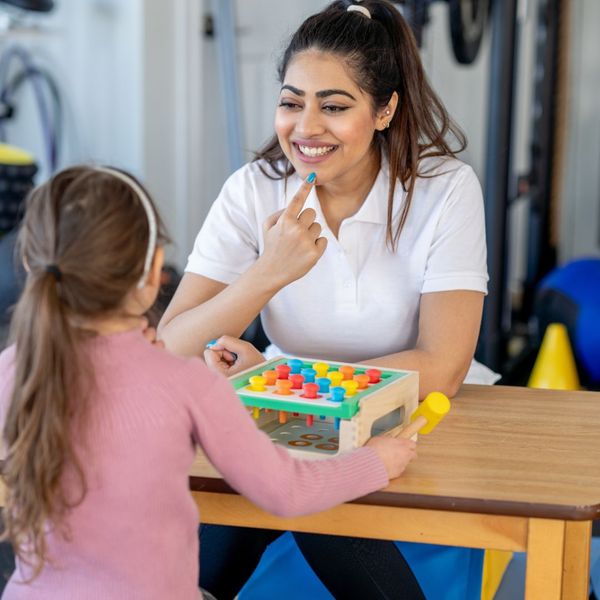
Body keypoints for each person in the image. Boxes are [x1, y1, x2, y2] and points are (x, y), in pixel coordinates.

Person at [158, 1, 490, 598]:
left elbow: (442, 366)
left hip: (415, 421)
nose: (305, 127)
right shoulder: (252, 190)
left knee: (312, 490)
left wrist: (284, 381)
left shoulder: (444, 189)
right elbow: (171, 349)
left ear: (385, 109)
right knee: (207, 545)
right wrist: (267, 274)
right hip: (288, 417)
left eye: (334, 107)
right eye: (291, 102)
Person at [0, 166, 418, 599]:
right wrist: (376, 461)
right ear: (153, 274)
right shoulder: (186, 385)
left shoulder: (12, 369)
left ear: (31, 264)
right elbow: (287, 491)